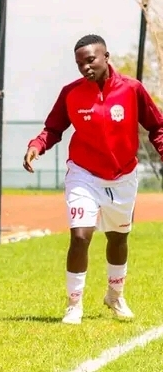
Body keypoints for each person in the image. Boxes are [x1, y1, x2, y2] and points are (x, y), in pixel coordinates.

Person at [23, 34, 163, 325]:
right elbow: (53, 128)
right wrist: (36, 145)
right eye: (79, 63)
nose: (85, 67)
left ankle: (115, 294)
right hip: (83, 173)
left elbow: (156, 127)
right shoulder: (71, 93)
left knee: (118, 237)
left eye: (90, 60)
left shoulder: (132, 89)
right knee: (80, 236)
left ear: (105, 56)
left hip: (123, 175)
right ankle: (74, 304)